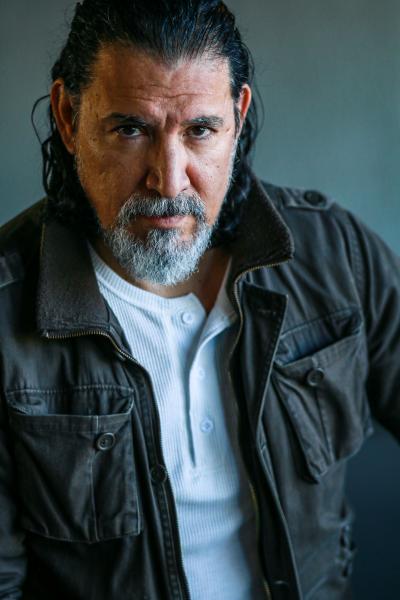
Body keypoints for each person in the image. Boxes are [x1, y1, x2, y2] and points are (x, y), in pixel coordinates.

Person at [0, 0, 399, 598]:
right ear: (68, 115)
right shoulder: (7, 313)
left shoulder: (335, 254)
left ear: (238, 114)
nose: (169, 179)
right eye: (131, 129)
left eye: (200, 130)